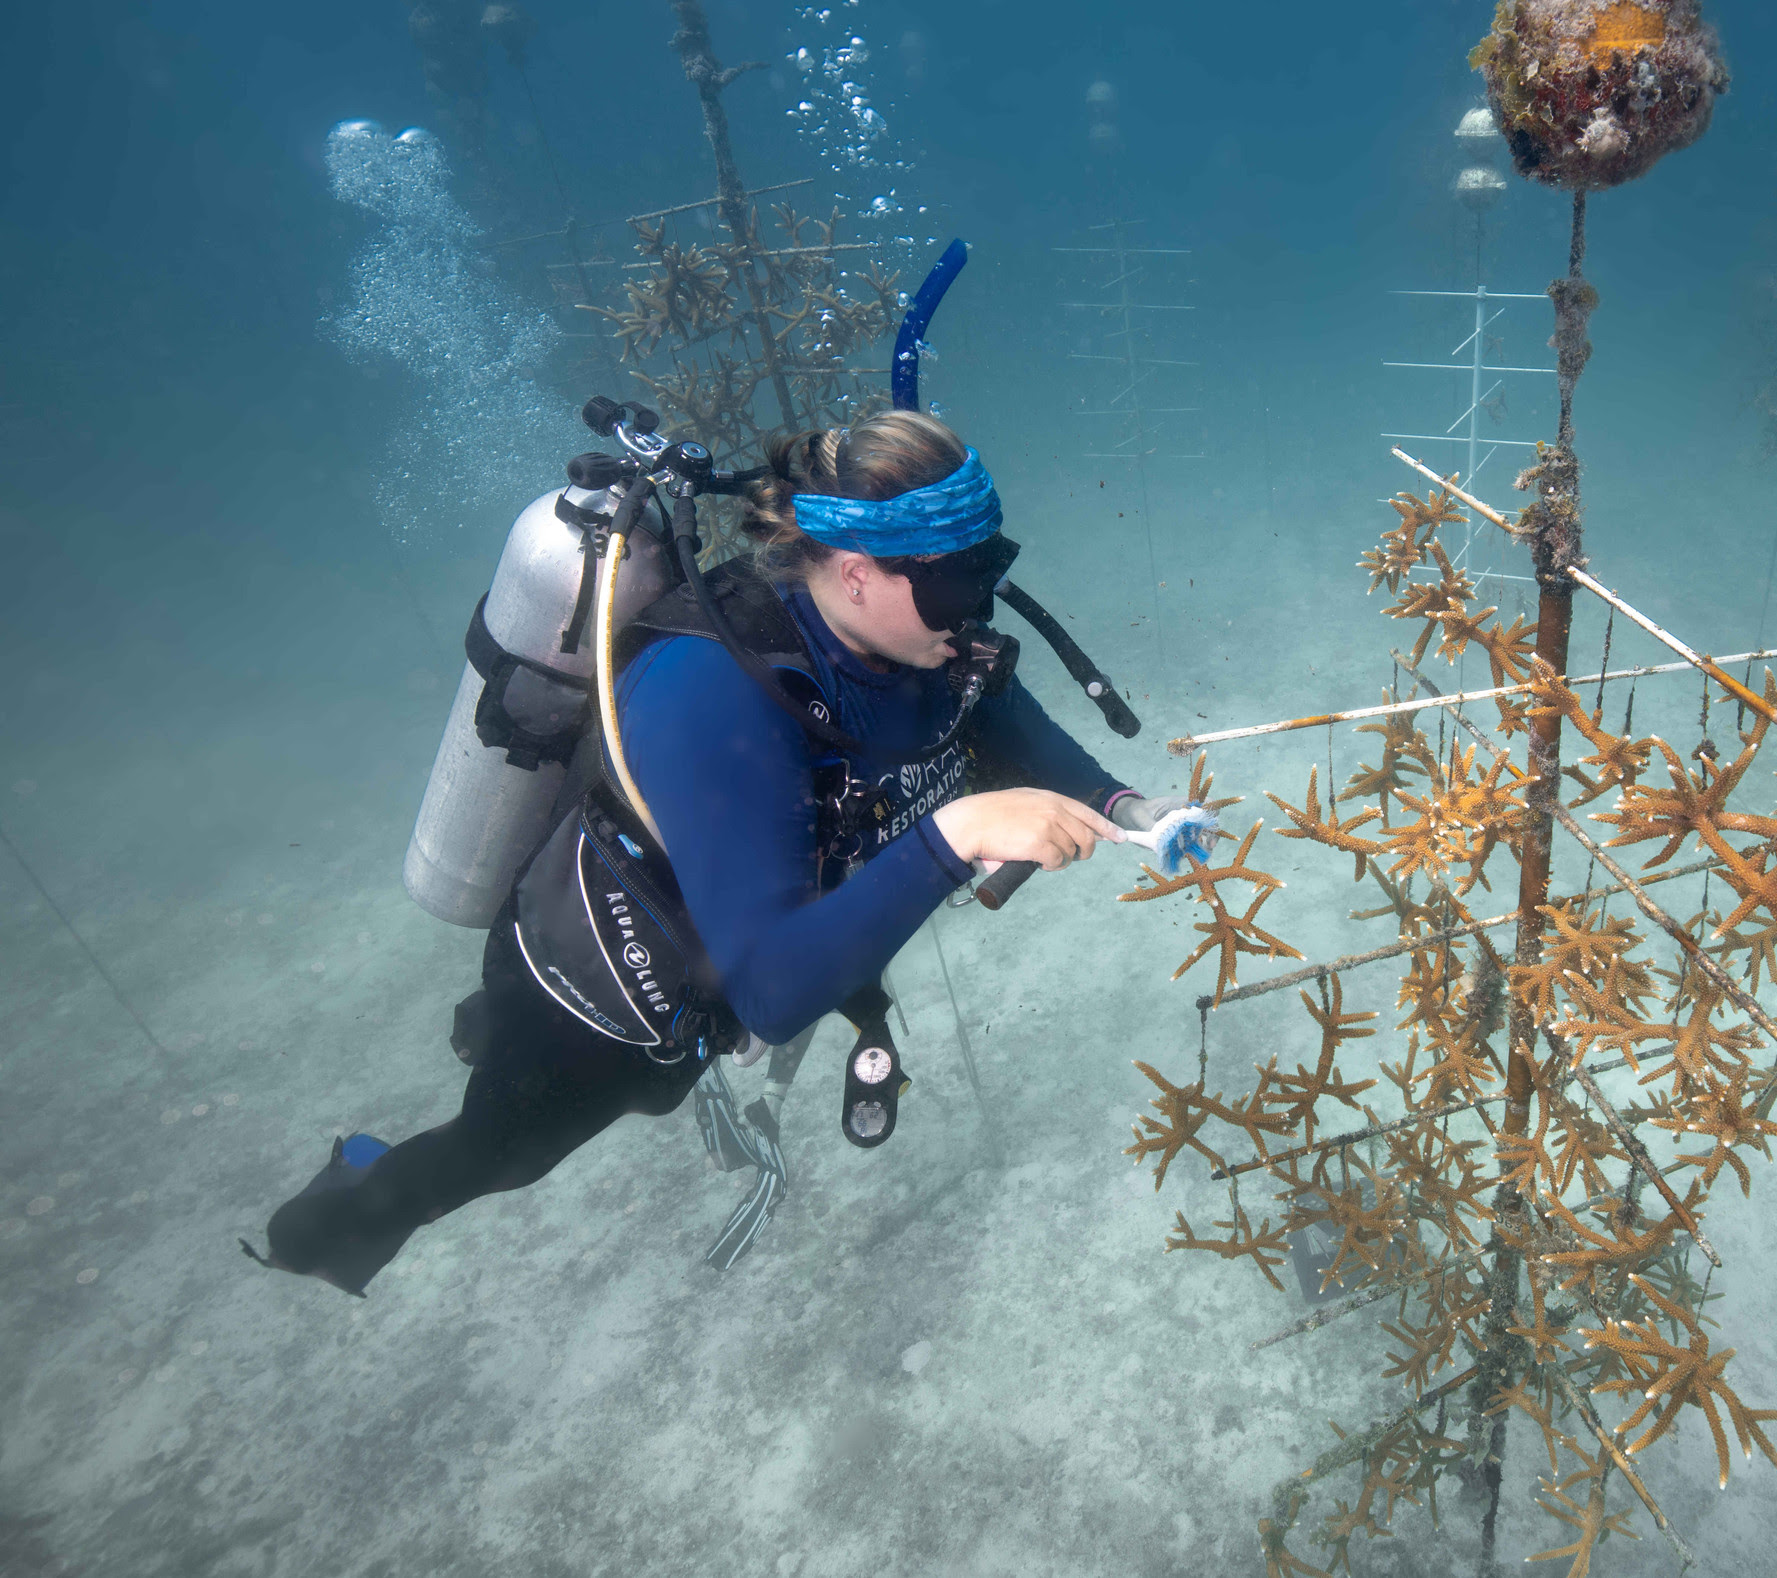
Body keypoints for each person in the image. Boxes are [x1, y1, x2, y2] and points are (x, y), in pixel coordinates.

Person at [247, 411, 1188, 1295]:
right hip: (607, 985)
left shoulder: (928, 641)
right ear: (856, 570)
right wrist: (961, 833)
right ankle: (325, 1224)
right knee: (509, 1149)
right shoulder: (716, 691)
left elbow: (1006, 722)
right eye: (955, 580)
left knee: (660, 1094)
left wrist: (1128, 807)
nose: (979, 605)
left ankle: (487, 1056)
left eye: (993, 566)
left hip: (760, 938)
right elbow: (772, 997)